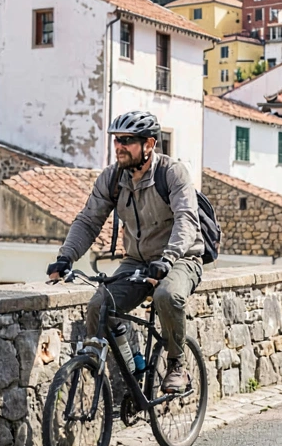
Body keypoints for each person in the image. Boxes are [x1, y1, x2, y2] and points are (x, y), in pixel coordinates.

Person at [47, 111, 203, 394]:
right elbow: (89, 220)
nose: (119, 146)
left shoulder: (172, 173)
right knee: (99, 305)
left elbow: (186, 221)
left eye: (128, 141)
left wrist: (167, 260)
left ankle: (177, 365)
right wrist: (66, 256)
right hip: (137, 261)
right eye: (117, 140)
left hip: (181, 258)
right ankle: (128, 369)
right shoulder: (113, 177)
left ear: (150, 144)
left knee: (167, 295)